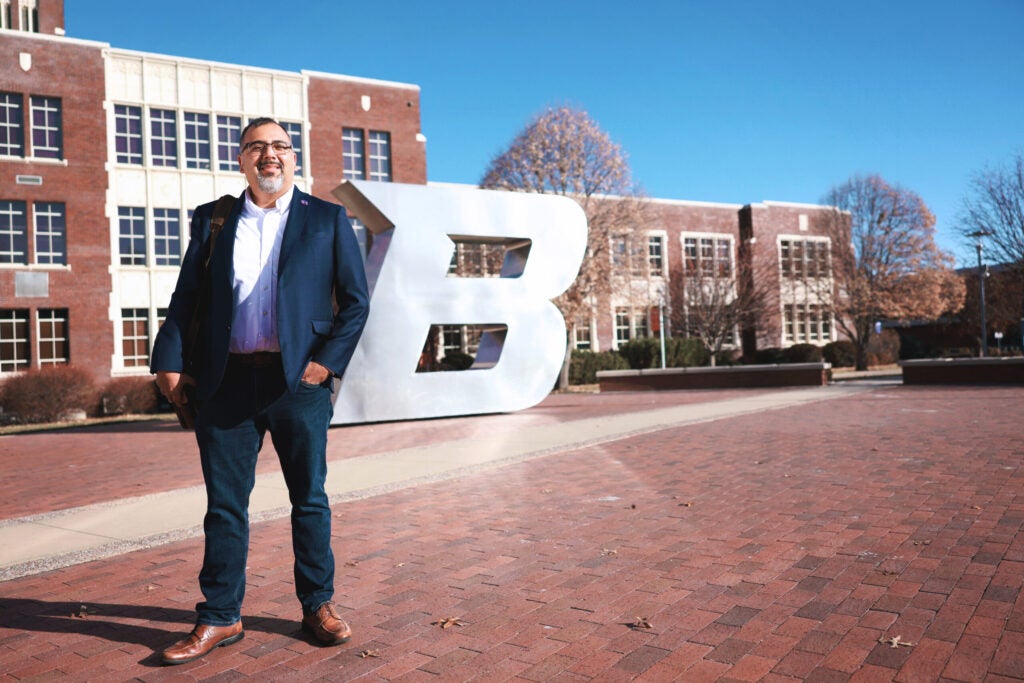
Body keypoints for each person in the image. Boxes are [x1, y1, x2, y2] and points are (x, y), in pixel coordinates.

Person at [151, 117, 369, 665]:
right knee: (225, 507)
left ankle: (318, 603)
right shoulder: (215, 220)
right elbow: (187, 297)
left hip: (297, 382)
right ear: (241, 158)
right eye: (256, 148)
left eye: (279, 147)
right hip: (226, 382)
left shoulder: (327, 219)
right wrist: (168, 360)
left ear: (293, 157)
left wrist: (325, 366)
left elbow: (356, 302)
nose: (269, 156)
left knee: (309, 500)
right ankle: (221, 615)